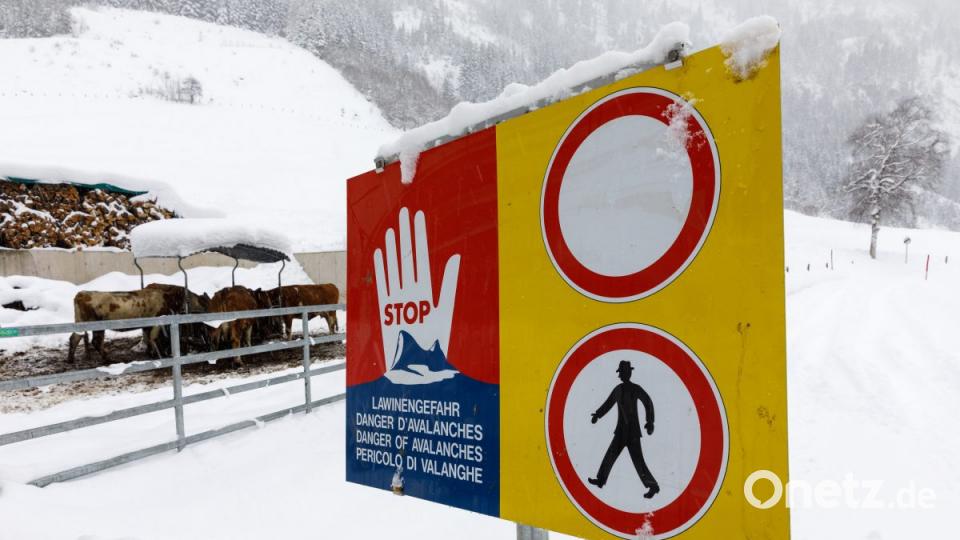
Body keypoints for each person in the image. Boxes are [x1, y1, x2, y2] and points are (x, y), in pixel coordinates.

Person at [588, 360, 660, 499]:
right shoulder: (618, 390)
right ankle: (601, 480)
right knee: (610, 455)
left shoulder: (635, 388)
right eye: (620, 373)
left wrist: (650, 421)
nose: (620, 375)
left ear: (628, 373)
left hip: (633, 432)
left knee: (638, 460)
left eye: (622, 372)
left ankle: (653, 486)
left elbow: (648, 402)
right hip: (621, 431)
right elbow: (608, 404)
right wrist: (597, 415)